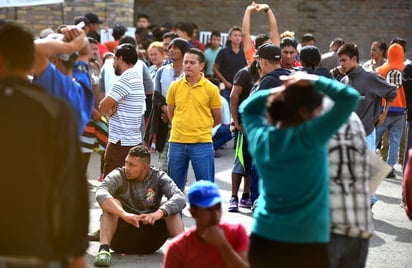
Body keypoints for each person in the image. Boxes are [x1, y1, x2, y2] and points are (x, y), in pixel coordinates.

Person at [240, 72, 360, 267]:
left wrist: (282, 89)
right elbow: (349, 97)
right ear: (304, 112)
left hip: (264, 238)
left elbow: (247, 107)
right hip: (308, 242)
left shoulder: (261, 138)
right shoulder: (310, 137)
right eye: (317, 110)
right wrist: (312, 79)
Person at [0, 22, 89, 268]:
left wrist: (68, 45)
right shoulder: (54, 109)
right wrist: (77, 252)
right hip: (35, 243)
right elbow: (70, 185)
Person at [94, 145, 185, 267]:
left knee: (169, 207)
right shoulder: (119, 174)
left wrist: (159, 213)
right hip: (121, 237)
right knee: (112, 203)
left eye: (132, 165)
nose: (127, 168)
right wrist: (124, 214)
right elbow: (101, 192)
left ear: (145, 168)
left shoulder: (159, 177)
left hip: (151, 239)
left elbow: (180, 197)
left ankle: (185, 252)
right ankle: (104, 251)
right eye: (126, 163)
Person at [337, 42, 397, 207]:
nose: (341, 64)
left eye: (344, 60)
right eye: (339, 61)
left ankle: (369, 202)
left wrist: (384, 113)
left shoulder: (371, 77)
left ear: (354, 59)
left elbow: (392, 91)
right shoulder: (344, 80)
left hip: (367, 131)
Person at [166, 48, 222, 192]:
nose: (188, 66)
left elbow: (218, 118)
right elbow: (171, 113)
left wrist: (200, 128)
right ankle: (175, 215)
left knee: (206, 189)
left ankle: (207, 215)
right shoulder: (174, 86)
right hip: (177, 142)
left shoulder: (211, 89)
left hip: (202, 143)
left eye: (192, 62)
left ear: (202, 66)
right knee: (174, 189)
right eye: (186, 62)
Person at [163, 180, 250, 268]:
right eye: (209, 209)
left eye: (218, 207)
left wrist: (223, 244)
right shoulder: (178, 248)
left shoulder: (237, 233)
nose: (215, 214)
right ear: (193, 212)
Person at [327, 106, 373, 268]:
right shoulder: (352, 117)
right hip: (359, 225)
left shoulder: (299, 120)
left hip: (324, 227)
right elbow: (372, 172)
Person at [33, 25, 94, 135]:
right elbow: (85, 52)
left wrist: (69, 46)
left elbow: (34, 47)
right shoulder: (81, 87)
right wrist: (79, 36)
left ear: (54, 61)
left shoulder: (54, 84)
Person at [99, 43, 147, 177]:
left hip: (120, 142)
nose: (113, 63)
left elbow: (102, 106)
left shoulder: (124, 80)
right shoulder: (136, 77)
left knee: (111, 186)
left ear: (120, 59)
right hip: (133, 139)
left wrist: (109, 112)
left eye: (114, 59)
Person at [145, 38, 190, 172]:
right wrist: (166, 110)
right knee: (163, 161)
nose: (172, 50)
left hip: (183, 121)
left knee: (180, 162)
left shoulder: (189, 72)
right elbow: (156, 96)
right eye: (170, 47)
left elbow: (190, 97)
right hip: (164, 120)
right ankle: (165, 188)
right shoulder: (162, 72)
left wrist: (173, 113)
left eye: (176, 47)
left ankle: (177, 189)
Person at [375, 43, 405, 178]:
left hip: (383, 109)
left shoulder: (381, 69)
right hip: (400, 111)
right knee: (395, 140)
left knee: (375, 137)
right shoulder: (406, 69)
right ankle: (390, 167)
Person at [213, 26, 247, 103]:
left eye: (239, 35)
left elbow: (246, 67)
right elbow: (215, 68)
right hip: (226, 86)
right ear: (230, 37)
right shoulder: (223, 51)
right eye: (235, 35)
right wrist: (225, 82)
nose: (237, 38)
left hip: (240, 86)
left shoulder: (244, 52)